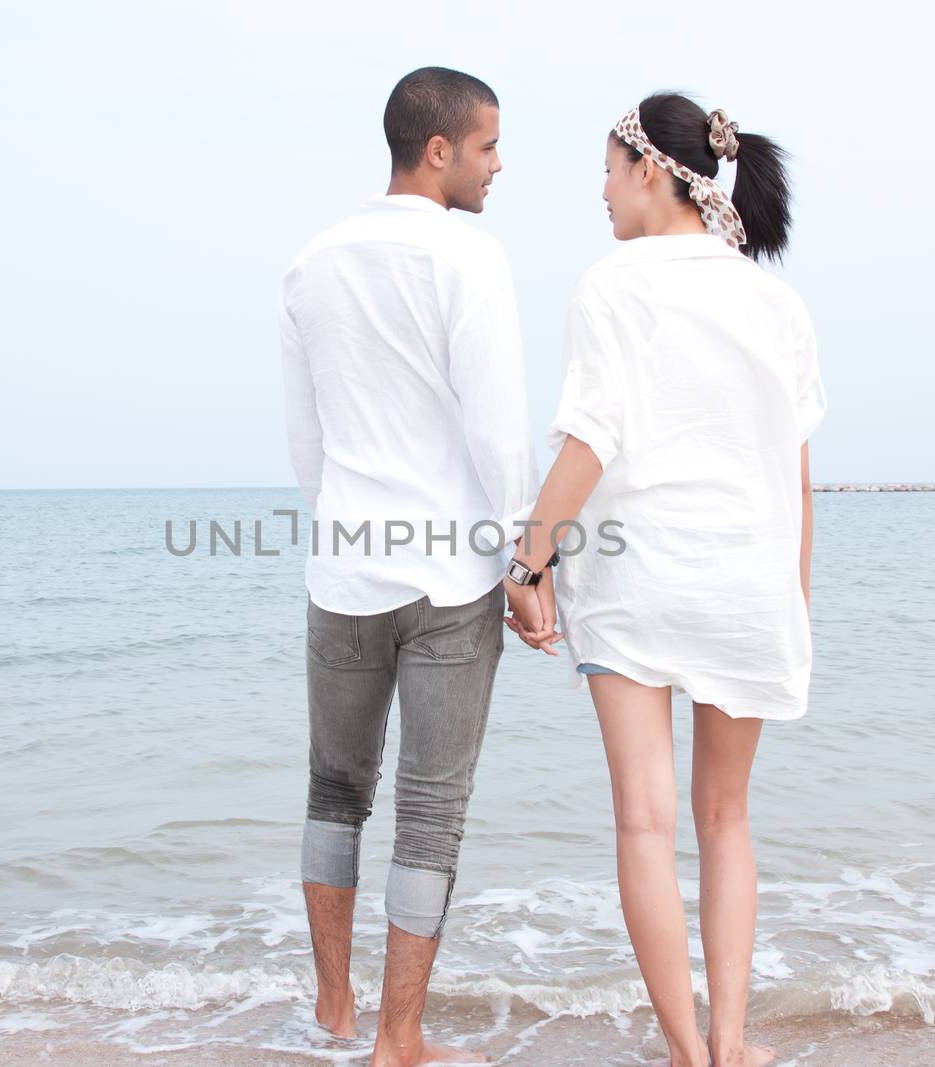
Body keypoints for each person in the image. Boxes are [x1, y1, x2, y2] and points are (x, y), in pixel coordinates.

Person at [503, 92, 826, 1067]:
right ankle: (731, 1043)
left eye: (608, 169)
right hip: (748, 582)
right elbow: (796, 471)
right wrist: (792, 598)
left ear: (651, 170)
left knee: (644, 818)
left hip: (639, 583)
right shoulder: (774, 297)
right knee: (725, 817)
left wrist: (527, 559)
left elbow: (591, 435)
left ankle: (684, 1050)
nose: (599, 192)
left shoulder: (613, 283)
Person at [278, 66, 539, 1066]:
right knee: (430, 808)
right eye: (487, 147)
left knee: (332, 789)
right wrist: (525, 557)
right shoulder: (470, 258)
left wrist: (343, 530)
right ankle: (400, 1037)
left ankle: (334, 1010)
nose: (496, 165)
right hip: (451, 579)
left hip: (342, 564)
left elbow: (307, 438)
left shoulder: (309, 263)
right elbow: (494, 428)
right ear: (438, 149)